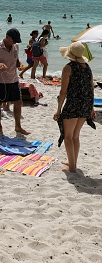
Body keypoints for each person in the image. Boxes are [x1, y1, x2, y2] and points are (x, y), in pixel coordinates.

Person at [53, 42, 95, 173]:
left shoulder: (68, 68)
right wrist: (91, 107)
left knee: (68, 136)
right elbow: (91, 88)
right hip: (86, 103)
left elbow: (63, 91)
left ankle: (72, 168)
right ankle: (73, 163)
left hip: (74, 103)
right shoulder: (87, 67)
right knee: (75, 136)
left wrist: (58, 110)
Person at [0, 28, 29, 135]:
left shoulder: (16, 46)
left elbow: (16, 60)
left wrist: (19, 64)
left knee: (18, 102)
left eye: (16, 41)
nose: (14, 43)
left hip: (14, 79)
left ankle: (18, 126)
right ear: (7, 37)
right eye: (13, 40)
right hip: (0, 80)